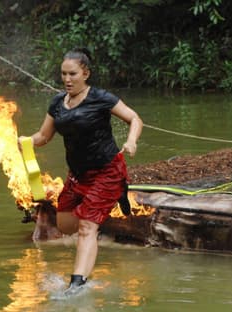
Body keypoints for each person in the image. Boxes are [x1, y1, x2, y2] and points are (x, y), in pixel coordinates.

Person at [19, 47, 143, 293]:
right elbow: (44, 136)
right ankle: (98, 221)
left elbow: (134, 118)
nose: (67, 79)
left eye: (72, 74)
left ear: (85, 73)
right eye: (63, 74)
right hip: (77, 175)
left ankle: (77, 284)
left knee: (87, 226)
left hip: (107, 171)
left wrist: (131, 141)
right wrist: (26, 141)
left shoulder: (100, 98)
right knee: (65, 225)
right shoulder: (57, 103)